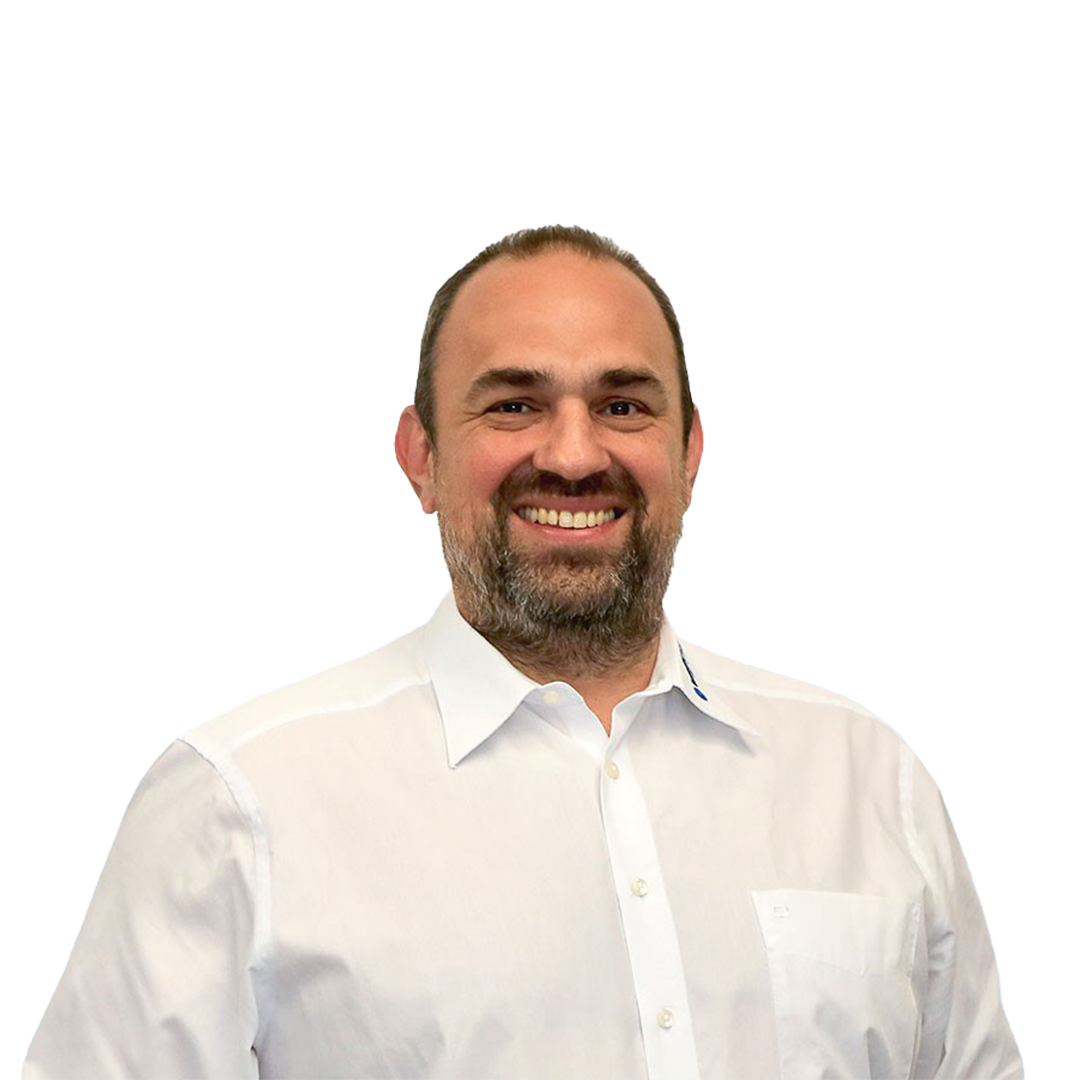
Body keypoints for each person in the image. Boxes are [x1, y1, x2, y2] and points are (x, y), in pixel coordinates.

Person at [23, 224, 1022, 1080]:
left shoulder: (868, 778)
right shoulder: (237, 805)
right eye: (514, 404)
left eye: (624, 404)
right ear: (421, 457)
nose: (576, 454)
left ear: (690, 455)